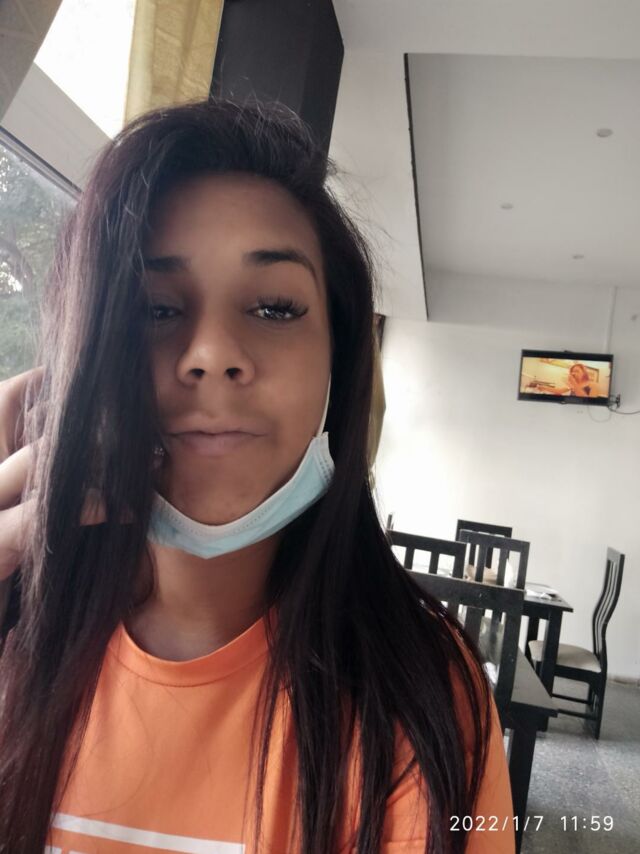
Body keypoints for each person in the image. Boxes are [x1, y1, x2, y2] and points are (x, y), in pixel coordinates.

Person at [0, 99, 515, 853]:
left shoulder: (423, 693)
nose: (212, 353)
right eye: (154, 309)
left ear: (339, 366)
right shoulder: (18, 638)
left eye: (274, 307)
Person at [529, 362, 595, 397]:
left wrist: (574, 384)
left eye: (577, 371)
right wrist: (544, 387)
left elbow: (586, 401)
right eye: (572, 372)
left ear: (584, 373)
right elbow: (559, 391)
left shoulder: (592, 385)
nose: (574, 373)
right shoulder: (573, 385)